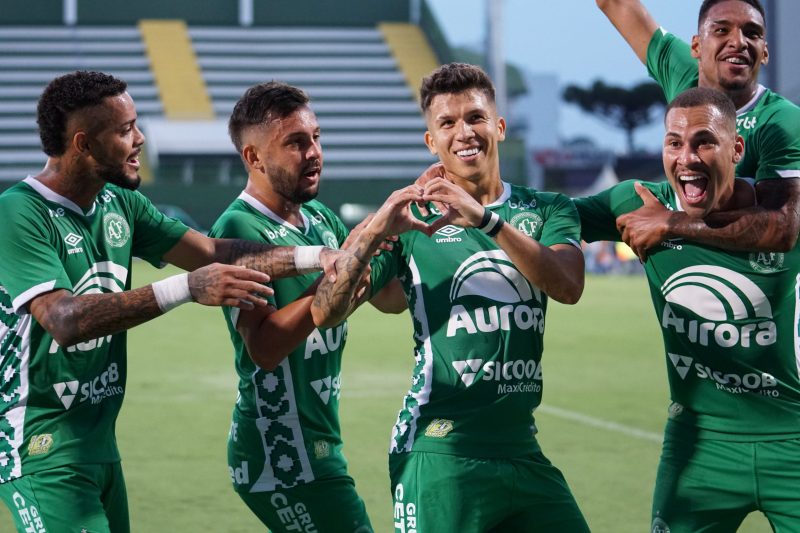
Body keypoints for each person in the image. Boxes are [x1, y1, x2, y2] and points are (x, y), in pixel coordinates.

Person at [0, 71, 338, 533]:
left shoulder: (120, 203)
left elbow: (214, 251)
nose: (139, 139)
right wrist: (185, 288)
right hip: (38, 444)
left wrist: (317, 256)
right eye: (124, 130)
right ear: (82, 144)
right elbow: (64, 320)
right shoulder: (18, 212)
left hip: (97, 442)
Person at [311, 63, 590, 532]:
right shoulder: (413, 222)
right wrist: (379, 224)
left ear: (498, 127)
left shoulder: (547, 209)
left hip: (522, 448)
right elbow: (328, 309)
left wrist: (485, 219)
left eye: (475, 117)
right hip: (440, 449)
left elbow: (568, 285)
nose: (464, 132)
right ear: (431, 142)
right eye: (447, 123)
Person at [576, 86, 800, 532]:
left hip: (792, 439)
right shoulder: (638, 204)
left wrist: (676, 224)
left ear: (736, 148)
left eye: (704, 142)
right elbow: (546, 213)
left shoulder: (783, 216)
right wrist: (468, 196)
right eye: (674, 143)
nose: (687, 157)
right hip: (699, 445)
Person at [208, 81, 425, 533]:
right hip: (278, 453)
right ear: (253, 158)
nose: (313, 153)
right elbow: (264, 348)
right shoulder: (237, 226)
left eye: (316, 138)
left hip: (319, 442)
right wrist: (349, 260)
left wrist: (400, 242)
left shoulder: (320, 219)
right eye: (295, 143)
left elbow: (386, 300)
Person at [596, 0, 800, 259]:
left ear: (765, 52)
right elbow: (615, 4)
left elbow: (781, 229)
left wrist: (670, 224)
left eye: (752, 33)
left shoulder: (782, 121)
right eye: (721, 30)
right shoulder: (685, 75)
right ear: (696, 46)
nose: (738, 42)